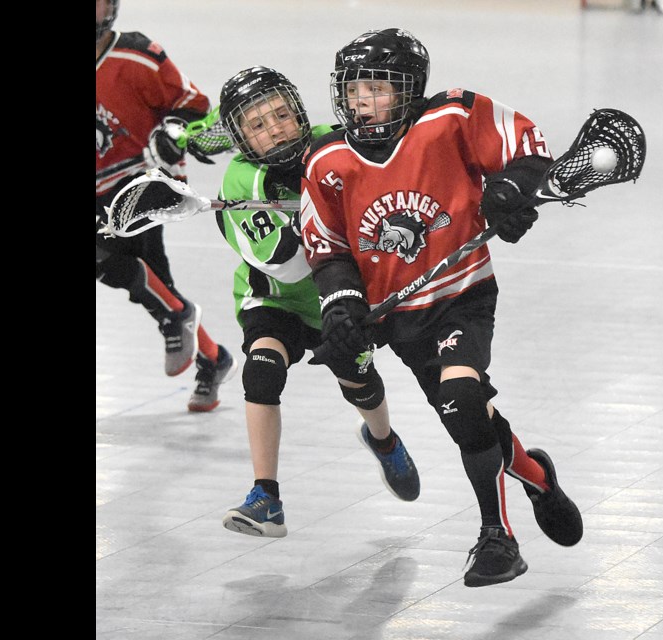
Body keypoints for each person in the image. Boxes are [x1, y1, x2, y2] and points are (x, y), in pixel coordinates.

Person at [299, 28, 584, 587]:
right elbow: (327, 247)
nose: (365, 102)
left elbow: (524, 149)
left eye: (380, 89)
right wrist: (341, 308)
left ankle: (496, 537)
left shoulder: (451, 117)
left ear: (410, 90)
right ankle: (536, 476)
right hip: (399, 316)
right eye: (356, 91)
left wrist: (507, 194)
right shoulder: (326, 158)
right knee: (468, 418)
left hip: (462, 295)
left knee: (462, 394)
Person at [210, 67, 421, 538]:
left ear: (300, 111)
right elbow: (288, 267)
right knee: (262, 369)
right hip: (277, 299)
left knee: (359, 381)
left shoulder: (339, 143)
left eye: (282, 115)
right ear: (243, 140)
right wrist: (318, 218)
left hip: (339, 298)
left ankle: (383, 441)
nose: (277, 129)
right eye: (259, 126)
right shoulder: (244, 182)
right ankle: (266, 496)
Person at [95, 0, 237, 411]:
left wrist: (172, 131)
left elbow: (193, 104)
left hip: (139, 181)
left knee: (121, 264)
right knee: (152, 282)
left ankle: (183, 321)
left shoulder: (136, 55)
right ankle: (210, 353)